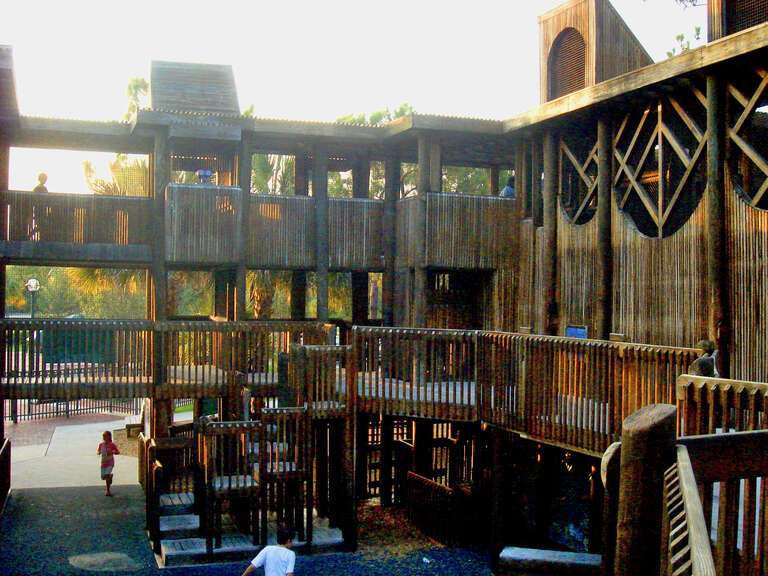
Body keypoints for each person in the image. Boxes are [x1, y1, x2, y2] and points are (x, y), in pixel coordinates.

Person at [97, 430, 120, 496]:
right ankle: (110, 476)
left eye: (105, 436)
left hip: (110, 462)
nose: (104, 438)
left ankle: (108, 490)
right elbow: (98, 451)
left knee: (106, 475)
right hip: (103, 463)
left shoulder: (112, 445)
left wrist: (113, 452)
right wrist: (99, 452)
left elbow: (118, 452)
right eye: (103, 436)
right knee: (103, 477)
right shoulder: (101, 444)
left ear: (109, 437)